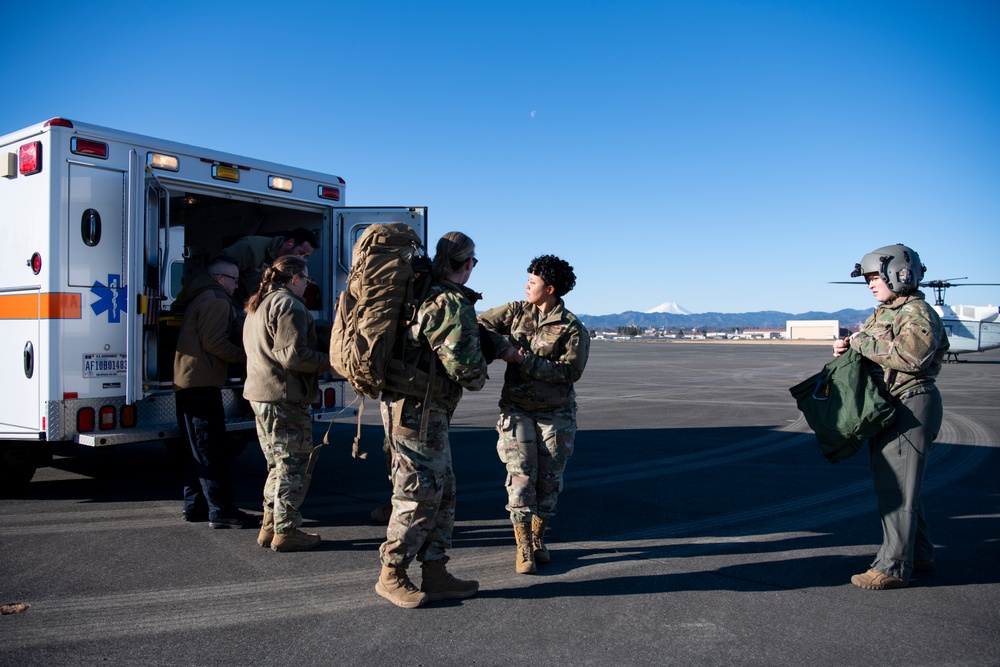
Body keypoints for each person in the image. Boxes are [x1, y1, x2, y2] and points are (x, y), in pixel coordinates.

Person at [375, 231, 488, 609]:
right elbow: (468, 373)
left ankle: (435, 571)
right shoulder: (448, 302)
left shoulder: (424, 291)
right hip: (418, 413)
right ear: (467, 264)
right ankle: (391, 574)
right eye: (473, 262)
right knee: (418, 496)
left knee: (442, 492)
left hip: (416, 410)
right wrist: (492, 356)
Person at [832, 243, 948, 590]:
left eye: (874, 277)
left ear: (899, 273)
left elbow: (910, 358)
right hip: (890, 405)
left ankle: (893, 567)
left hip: (911, 404)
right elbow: (872, 349)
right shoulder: (884, 312)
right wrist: (845, 347)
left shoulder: (917, 312)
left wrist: (860, 344)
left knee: (898, 490)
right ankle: (921, 553)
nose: (870, 283)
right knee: (902, 487)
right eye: (867, 278)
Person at [478, 255, 589, 574]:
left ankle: (539, 539)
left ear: (550, 288)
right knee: (521, 478)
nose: (527, 285)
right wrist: (503, 347)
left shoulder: (572, 328)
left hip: (556, 415)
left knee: (549, 482)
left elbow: (571, 372)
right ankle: (523, 545)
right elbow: (481, 323)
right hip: (517, 409)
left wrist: (524, 362)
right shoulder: (515, 312)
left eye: (533, 282)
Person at [242, 255, 331, 552]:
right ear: (295, 278)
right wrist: (332, 362)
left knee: (277, 465)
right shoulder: (289, 305)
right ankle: (286, 530)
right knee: (293, 465)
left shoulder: (258, 305)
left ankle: (270, 525)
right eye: (306, 280)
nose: (307, 286)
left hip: (262, 394)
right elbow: (292, 356)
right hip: (283, 397)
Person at [173, 256, 257, 529]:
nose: (237, 285)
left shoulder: (200, 296)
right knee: (211, 449)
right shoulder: (217, 300)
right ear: (221, 279)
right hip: (202, 383)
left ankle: (194, 506)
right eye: (234, 279)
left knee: (195, 449)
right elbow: (215, 343)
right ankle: (223, 512)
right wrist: (248, 357)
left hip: (189, 382)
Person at [222, 227, 318, 308]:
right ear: (290, 243)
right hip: (234, 308)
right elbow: (219, 274)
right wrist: (227, 306)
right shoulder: (250, 248)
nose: (301, 258)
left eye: (306, 256)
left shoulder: (292, 266)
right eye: (300, 253)